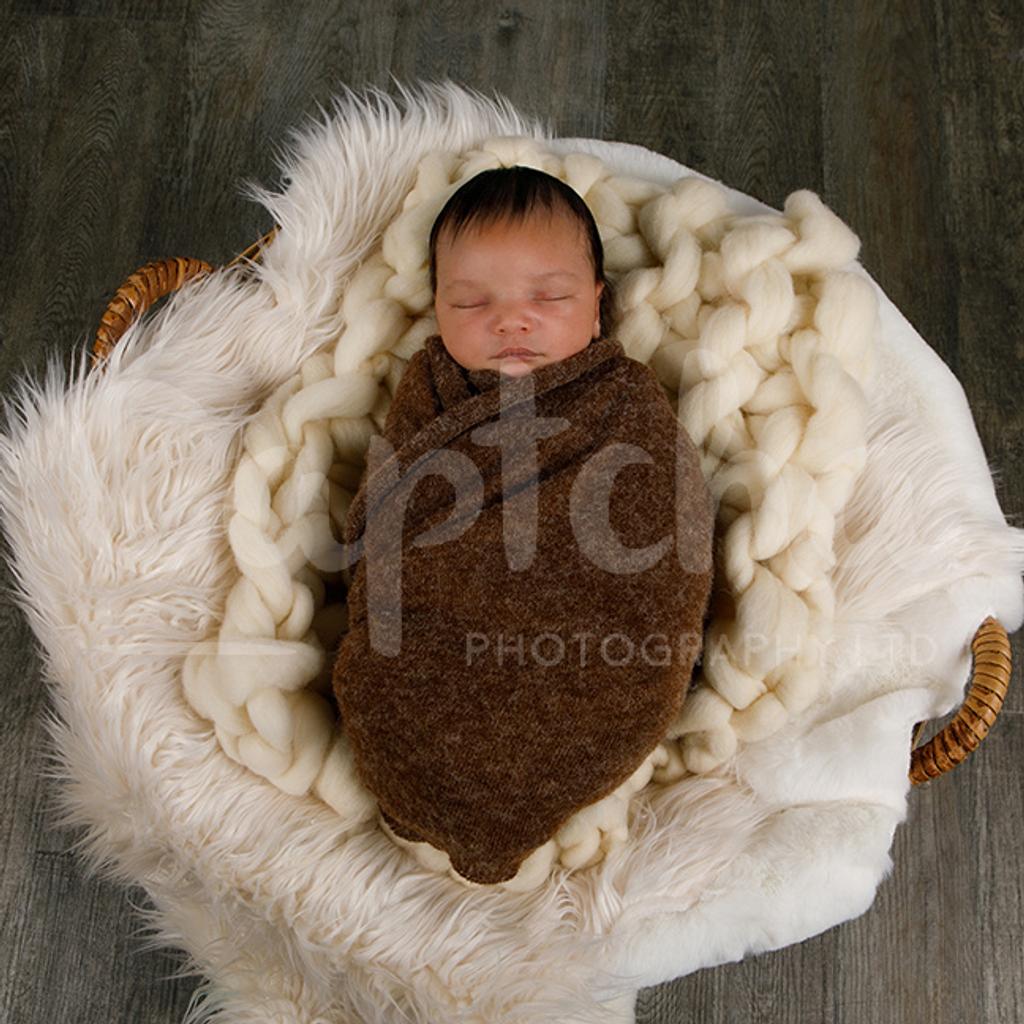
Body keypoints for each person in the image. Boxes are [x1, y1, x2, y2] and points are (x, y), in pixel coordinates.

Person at [331, 166, 715, 886]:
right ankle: (437, 792)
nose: (511, 319)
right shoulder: (433, 388)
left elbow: (667, 515)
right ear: (437, 308)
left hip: (589, 646)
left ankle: (505, 803)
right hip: (437, 632)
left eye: (550, 296)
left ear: (598, 308)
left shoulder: (622, 400)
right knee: (395, 676)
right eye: (472, 300)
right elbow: (392, 514)